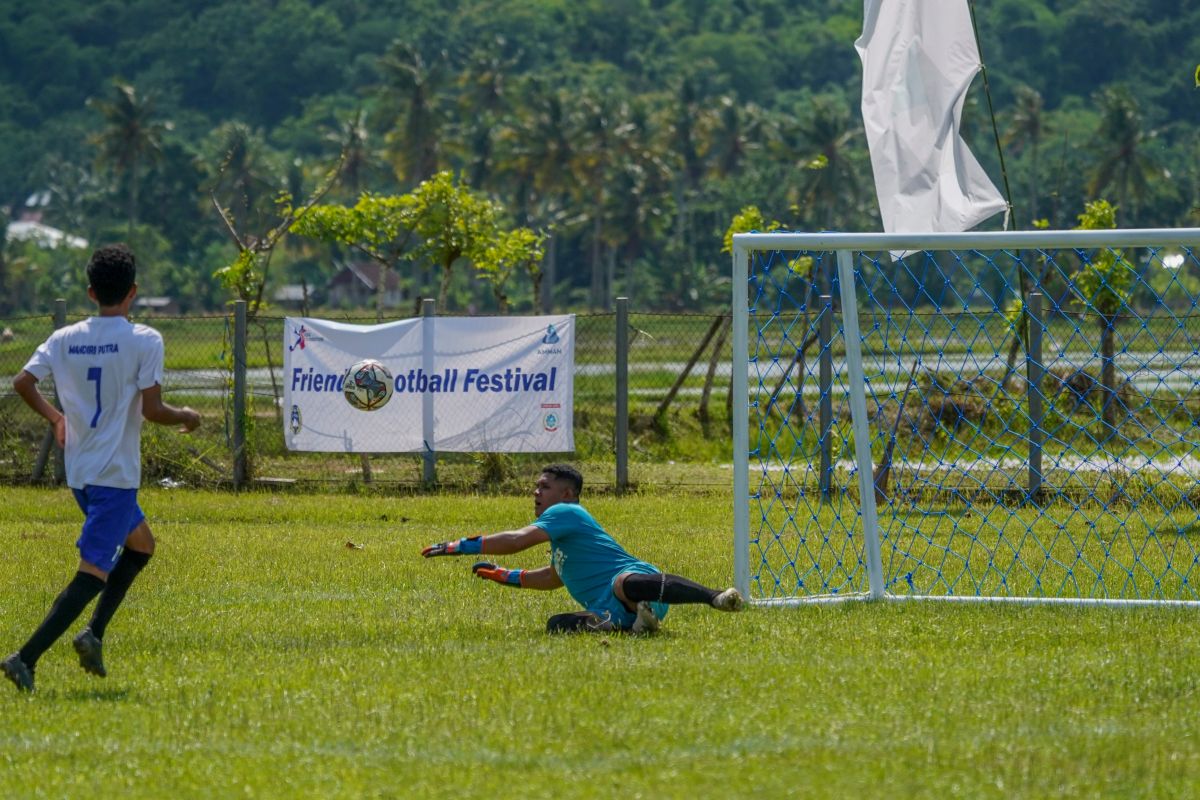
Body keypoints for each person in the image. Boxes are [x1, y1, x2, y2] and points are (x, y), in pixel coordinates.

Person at [2, 244, 201, 692]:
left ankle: (93, 634)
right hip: (114, 476)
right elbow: (153, 410)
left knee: (142, 546)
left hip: (82, 472)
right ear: (132, 292)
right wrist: (187, 414)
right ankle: (24, 658)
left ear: (91, 292)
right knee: (93, 571)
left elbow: (21, 382)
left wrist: (56, 418)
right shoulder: (145, 339)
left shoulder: (63, 338)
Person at [421, 464, 744, 633]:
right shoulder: (563, 540)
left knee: (622, 584)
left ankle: (714, 596)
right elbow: (553, 576)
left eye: (544, 487)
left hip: (640, 582)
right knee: (557, 625)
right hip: (612, 608)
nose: (536, 492)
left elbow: (518, 540)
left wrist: (460, 546)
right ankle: (634, 626)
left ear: (567, 494)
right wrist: (507, 576)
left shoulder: (566, 512)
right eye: (536, 487)